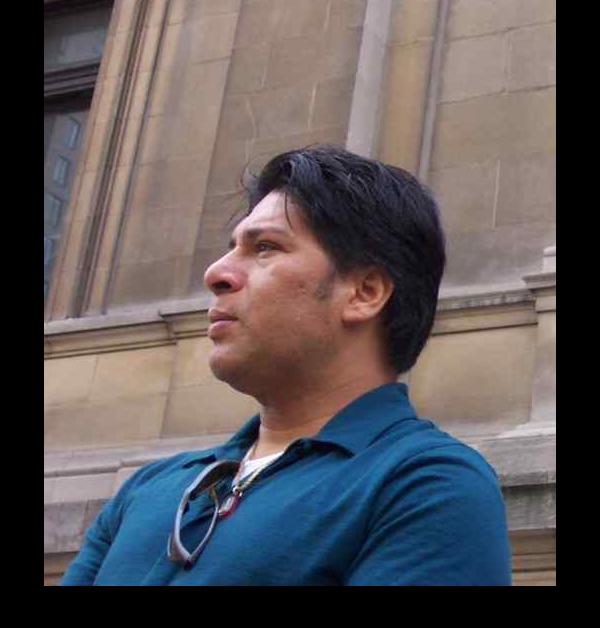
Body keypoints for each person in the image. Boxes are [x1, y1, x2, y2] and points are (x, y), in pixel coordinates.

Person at [60, 145, 511, 586]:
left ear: (365, 292)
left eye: (265, 248)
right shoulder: (151, 488)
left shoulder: (424, 485)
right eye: (232, 246)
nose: (216, 273)